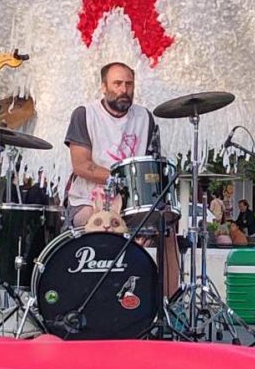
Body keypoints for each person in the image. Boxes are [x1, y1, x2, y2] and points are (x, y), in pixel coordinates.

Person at [64, 62, 178, 295]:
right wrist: (123, 180)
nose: (124, 89)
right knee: (97, 221)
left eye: (129, 84)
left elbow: (152, 166)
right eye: (117, 84)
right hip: (88, 199)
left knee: (167, 225)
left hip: (132, 203)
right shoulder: (85, 114)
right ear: (104, 87)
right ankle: (90, 296)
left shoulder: (144, 117)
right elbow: (81, 165)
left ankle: (168, 302)